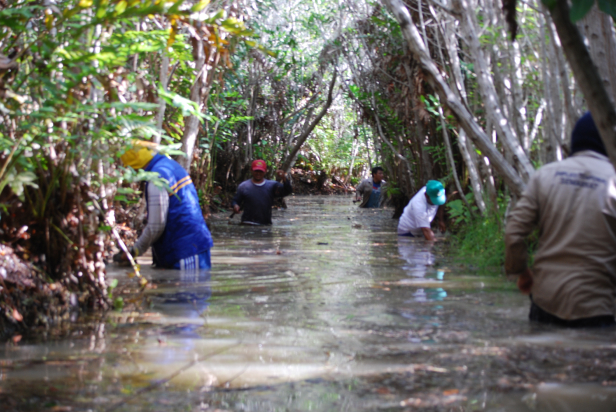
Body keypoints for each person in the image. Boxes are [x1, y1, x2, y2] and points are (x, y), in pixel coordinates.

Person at [505, 112, 616, 327]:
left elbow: (514, 233)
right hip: (597, 307)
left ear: (575, 141)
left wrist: (521, 271)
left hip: (546, 300)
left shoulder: (545, 176)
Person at [115, 142, 214, 270]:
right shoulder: (170, 165)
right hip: (194, 245)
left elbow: (156, 226)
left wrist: (133, 252)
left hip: (184, 251)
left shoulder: (157, 177)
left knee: (187, 289)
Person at [232, 159, 292, 225]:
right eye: (256, 171)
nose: (258, 173)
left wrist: (284, 178)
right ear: (251, 170)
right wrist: (235, 206)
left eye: (261, 171)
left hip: (265, 224)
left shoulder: (272, 185)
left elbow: (287, 191)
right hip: (247, 223)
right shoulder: (244, 186)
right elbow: (236, 200)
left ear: (265, 171)